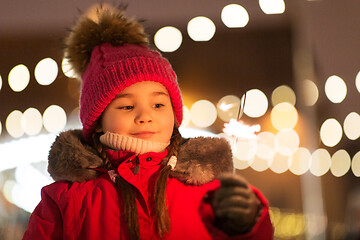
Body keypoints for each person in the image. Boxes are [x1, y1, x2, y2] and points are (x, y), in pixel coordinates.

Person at [23, 5, 273, 240]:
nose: (145, 116)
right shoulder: (65, 201)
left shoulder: (207, 191)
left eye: (158, 104)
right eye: (127, 106)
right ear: (98, 121)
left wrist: (250, 220)